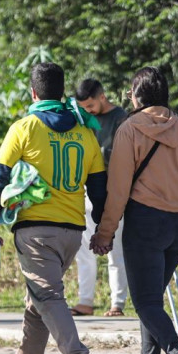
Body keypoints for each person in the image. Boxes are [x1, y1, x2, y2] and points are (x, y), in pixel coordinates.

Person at [0, 62, 105, 354]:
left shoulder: (24, 127)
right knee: (39, 298)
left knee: (47, 295)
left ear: (33, 92)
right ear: (61, 92)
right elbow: (99, 190)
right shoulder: (85, 133)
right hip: (72, 232)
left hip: (35, 231)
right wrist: (103, 229)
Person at [90, 67, 178, 354]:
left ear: (135, 95)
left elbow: (118, 189)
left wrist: (105, 232)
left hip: (146, 222)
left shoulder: (129, 130)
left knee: (144, 301)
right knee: (152, 297)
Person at [70, 79, 129, 317]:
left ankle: (117, 304)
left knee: (115, 251)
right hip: (85, 191)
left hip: (112, 193)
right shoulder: (82, 119)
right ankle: (85, 301)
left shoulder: (121, 119)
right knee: (83, 250)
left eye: (90, 105)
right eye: (83, 107)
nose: (88, 110)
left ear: (102, 97)